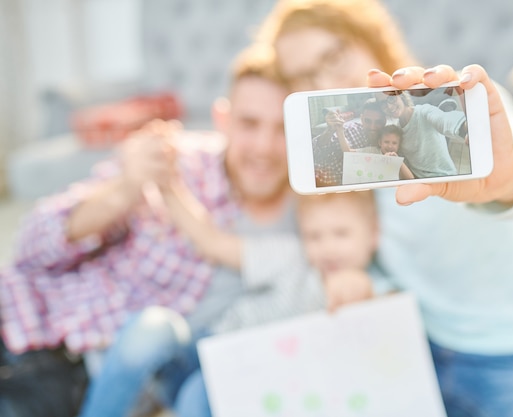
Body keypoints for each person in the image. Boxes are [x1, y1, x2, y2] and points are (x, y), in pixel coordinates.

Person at [255, 0, 513, 416]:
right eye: (302, 75)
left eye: (333, 54)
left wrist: (511, 179)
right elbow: (377, 254)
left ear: (369, 37)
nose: (324, 77)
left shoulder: (456, 103)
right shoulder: (348, 163)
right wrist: (364, 281)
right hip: (407, 342)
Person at [0, 43, 295, 416]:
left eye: (283, 129)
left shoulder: (309, 224)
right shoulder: (175, 159)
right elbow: (29, 246)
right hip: (19, 304)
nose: (264, 147)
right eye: (250, 123)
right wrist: (123, 190)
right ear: (223, 120)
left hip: (74, 375)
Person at [174, 190, 379, 417]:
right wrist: (167, 188)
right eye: (314, 236)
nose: (327, 248)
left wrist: (361, 290)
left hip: (270, 376)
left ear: (373, 234)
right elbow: (214, 244)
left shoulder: (375, 287)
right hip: (218, 343)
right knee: (195, 394)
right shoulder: (291, 257)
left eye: (341, 234)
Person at [375, 90, 465, 178]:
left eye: (391, 98)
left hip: (443, 176)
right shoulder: (397, 132)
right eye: (383, 103)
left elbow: (446, 120)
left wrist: (466, 125)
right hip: (417, 180)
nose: (389, 106)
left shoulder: (424, 111)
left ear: (401, 95)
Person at [312, 99, 386, 186]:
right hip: (318, 178)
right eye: (368, 121)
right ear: (361, 119)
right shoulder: (348, 129)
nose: (372, 127)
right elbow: (316, 149)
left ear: (384, 121)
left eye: (378, 122)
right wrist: (330, 130)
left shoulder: (388, 141)